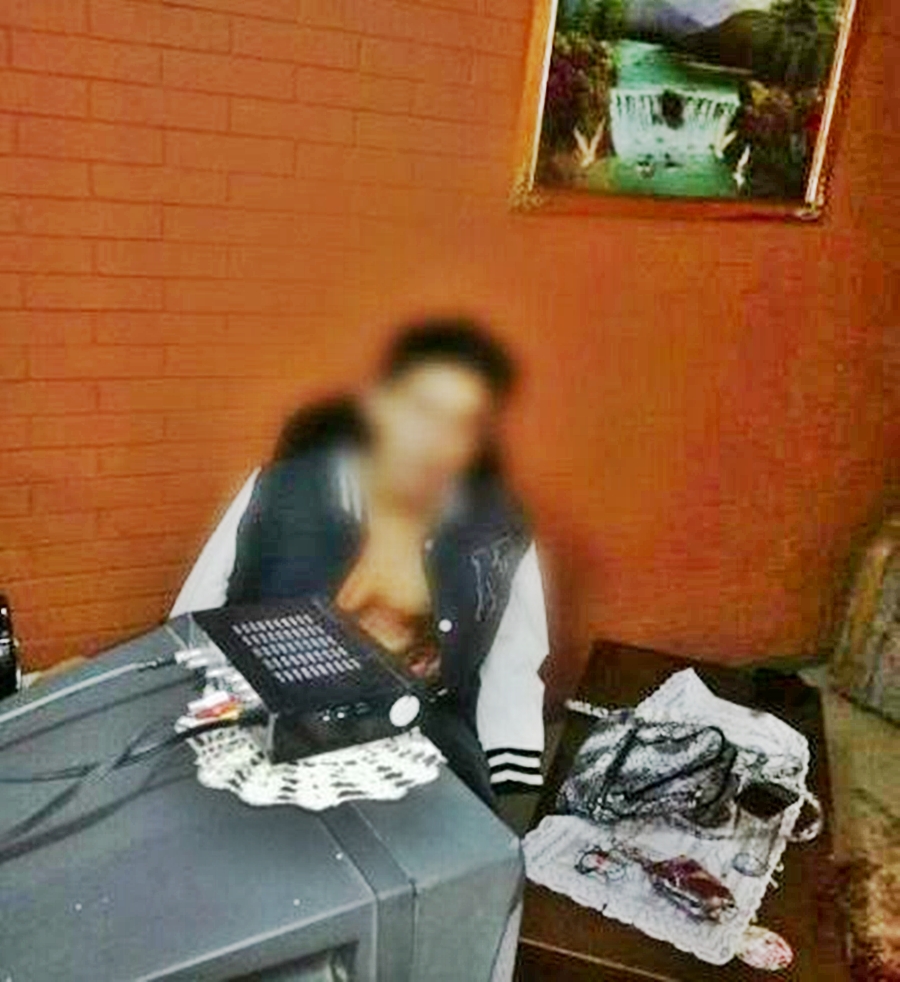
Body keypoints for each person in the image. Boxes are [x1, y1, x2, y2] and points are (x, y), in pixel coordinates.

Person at [179, 318, 549, 809]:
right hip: (271, 741)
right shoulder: (282, 490)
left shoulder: (497, 528)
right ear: (379, 405)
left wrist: (505, 780)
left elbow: (513, 659)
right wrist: (190, 728)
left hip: (420, 751)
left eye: (463, 424)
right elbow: (193, 618)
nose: (435, 439)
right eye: (422, 409)